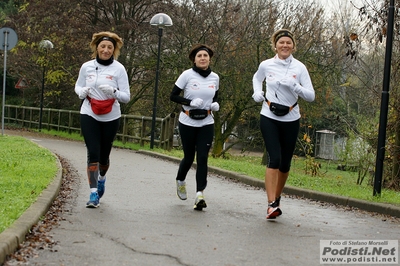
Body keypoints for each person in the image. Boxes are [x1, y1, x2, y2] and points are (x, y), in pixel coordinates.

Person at [252, 29, 315, 219]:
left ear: (293, 46)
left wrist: (295, 86)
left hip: (291, 117)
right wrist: (257, 91)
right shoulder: (266, 64)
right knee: (275, 159)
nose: (285, 46)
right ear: (275, 45)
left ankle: (277, 198)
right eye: (281, 43)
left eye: (288, 43)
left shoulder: (300, 68)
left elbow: (311, 96)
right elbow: (257, 77)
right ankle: (271, 204)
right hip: (269, 115)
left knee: (285, 164)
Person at [75, 31, 130, 208]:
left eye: (109, 47)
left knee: (104, 156)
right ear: (96, 48)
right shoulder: (87, 67)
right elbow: (78, 85)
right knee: (93, 152)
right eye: (102, 47)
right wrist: (80, 92)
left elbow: (126, 96)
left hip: (111, 115)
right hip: (89, 112)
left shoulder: (119, 69)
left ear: (114, 50)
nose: (106, 50)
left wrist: (113, 92)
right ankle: (93, 194)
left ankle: (102, 178)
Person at [170, 44, 220, 211]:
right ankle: (180, 180)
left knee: (203, 157)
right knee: (189, 156)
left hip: (206, 121)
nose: (203, 58)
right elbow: (173, 96)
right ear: (194, 59)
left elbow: (215, 96)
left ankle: (200, 194)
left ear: (209, 59)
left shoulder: (215, 77)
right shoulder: (187, 75)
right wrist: (189, 102)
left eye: (205, 55)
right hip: (188, 121)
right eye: (199, 56)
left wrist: (215, 104)